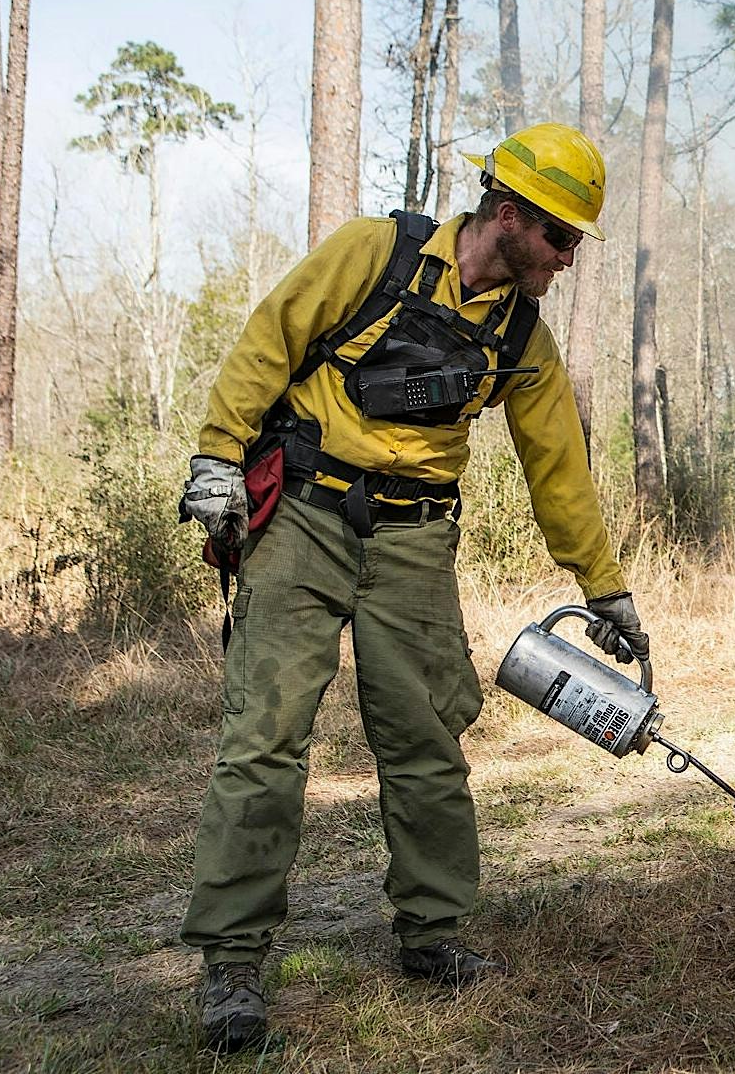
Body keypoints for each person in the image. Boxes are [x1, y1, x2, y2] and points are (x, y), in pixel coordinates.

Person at [176, 123, 648, 1052]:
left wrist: (605, 589)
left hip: (416, 542)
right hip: (304, 518)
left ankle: (432, 933)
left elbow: (560, 467)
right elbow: (271, 338)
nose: (565, 262)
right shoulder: (373, 252)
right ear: (509, 216)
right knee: (264, 741)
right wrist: (217, 455)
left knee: (428, 740)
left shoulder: (520, 335)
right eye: (561, 241)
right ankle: (231, 961)